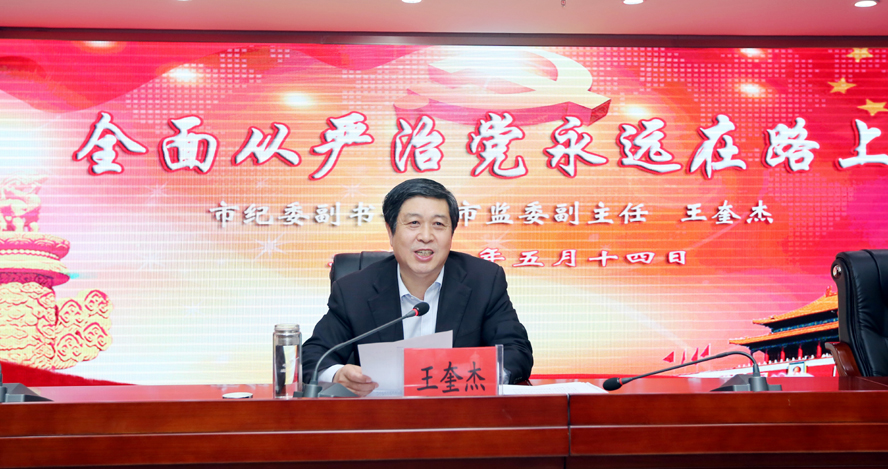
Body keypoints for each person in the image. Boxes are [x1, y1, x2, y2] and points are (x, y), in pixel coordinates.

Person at [302, 178, 533, 396]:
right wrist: (337, 375)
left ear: (451, 233)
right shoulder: (355, 290)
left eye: (438, 224)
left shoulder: (484, 280)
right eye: (414, 223)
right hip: (381, 417)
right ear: (391, 231)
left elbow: (517, 351)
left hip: (461, 413)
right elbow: (314, 356)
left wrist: (479, 376)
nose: (426, 236)